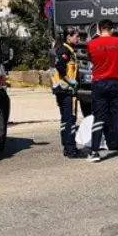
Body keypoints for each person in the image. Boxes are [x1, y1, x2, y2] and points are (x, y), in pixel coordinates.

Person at [87, 18, 118, 162]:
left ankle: (94, 152)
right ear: (112, 29)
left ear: (99, 29)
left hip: (99, 83)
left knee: (98, 118)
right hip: (116, 82)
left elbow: (91, 59)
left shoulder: (91, 44)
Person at [50, 27, 81, 158]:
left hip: (61, 89)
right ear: (69, 37)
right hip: (66, 90)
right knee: (70, 118)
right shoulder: (65, 50)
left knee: (65, 118)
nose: (78, 39)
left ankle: (66, 145)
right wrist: (70, 81)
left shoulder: (67, 50)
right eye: (76, 36)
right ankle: (71, 148)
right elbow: (60, 67)